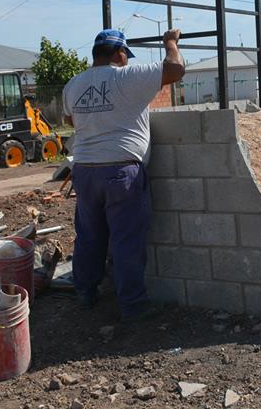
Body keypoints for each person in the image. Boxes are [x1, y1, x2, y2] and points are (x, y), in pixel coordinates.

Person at [62, 27, 185, 318]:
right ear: (119, 54)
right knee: (126, 239)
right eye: (125, 55)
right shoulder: (125, 77)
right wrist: (170, 42)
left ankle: (85, 292)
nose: (127, 60)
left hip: (85, 172)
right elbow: (176, 69)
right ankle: (133, 307)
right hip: (120, 173)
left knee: (89, 236)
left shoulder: (73, 85)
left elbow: (70, 118)